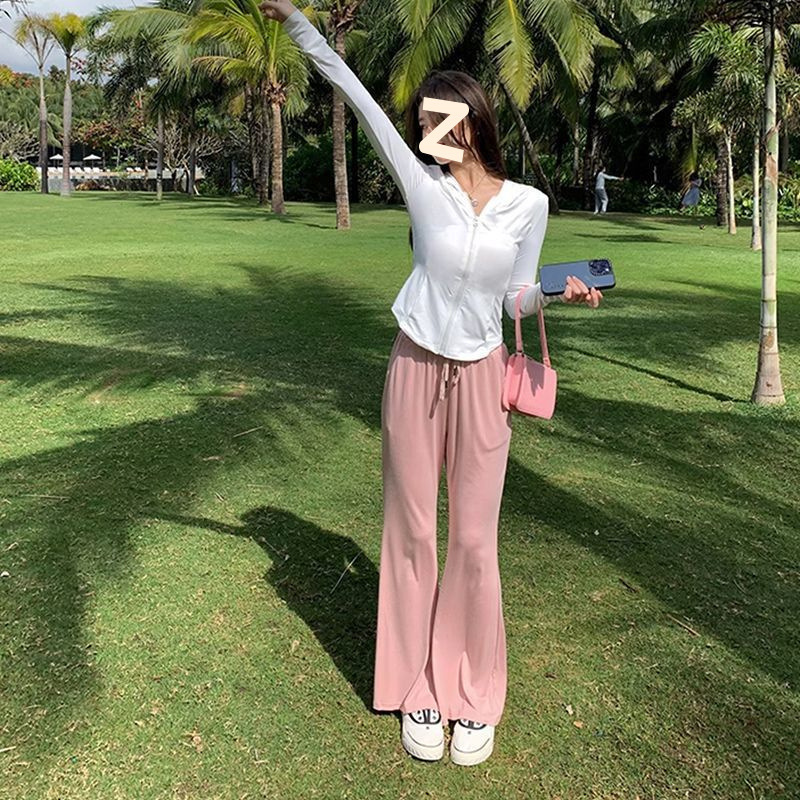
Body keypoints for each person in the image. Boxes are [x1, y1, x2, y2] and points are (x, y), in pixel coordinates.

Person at [260, 0, 603, 767]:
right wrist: (297, 23)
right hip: (414, 368)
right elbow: (351, 89)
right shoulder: (424, 187)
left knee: (474, 541)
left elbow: (514, 298)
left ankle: (471, 692)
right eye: (420, 124)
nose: (425, 134)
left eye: (436, 121)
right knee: (411, 532)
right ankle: (417, 686)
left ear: (470, 120)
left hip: (482, 378)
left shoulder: (529, 205)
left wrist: (558, 292)